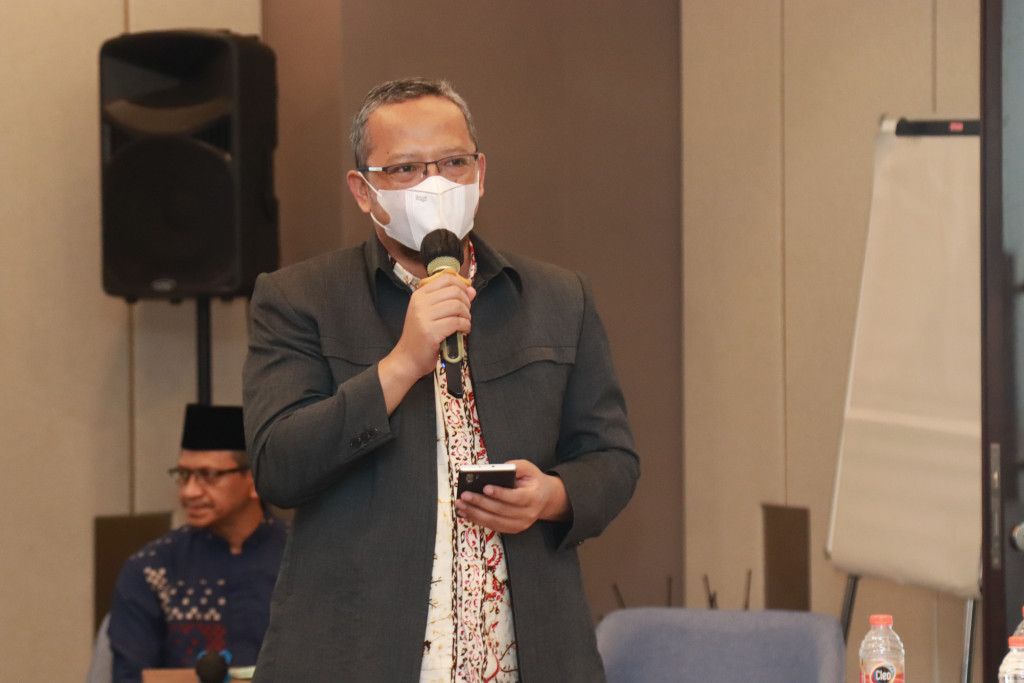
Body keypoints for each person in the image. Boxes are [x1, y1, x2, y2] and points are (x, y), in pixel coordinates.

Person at [243, 77, 639, 682]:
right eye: (405, 169)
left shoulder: (558, 298)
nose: (435, 185)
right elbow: (279, 467)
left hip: (525, 655)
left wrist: (553, 497)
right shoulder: (300, 299)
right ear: (363, 191)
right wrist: (402, 363)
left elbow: (612, 458)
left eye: (454, 163)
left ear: (481, 172)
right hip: (359, 657)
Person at [107, 404, 287, 682]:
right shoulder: (152, 570)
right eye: (183, 475)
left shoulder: (301, 560)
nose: (189, 491)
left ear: (254, 479)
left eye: (209, 475)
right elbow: (131, 676)